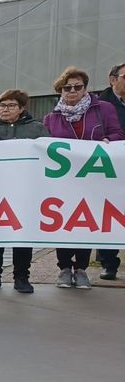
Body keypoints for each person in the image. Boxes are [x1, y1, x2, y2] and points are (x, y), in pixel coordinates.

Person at [42, 66, 124, 289]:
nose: (72, 91)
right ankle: (64, 269)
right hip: (64, 181)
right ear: (61, 90)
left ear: (85, 88)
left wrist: (108, 140)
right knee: (65, 223)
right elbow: (44, 145)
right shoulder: (51, 117)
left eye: (78, 87)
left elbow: (118, 133)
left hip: (93, 179)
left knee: (86, 223)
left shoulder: (103, 109)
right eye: (67, 88)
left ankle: (81, 269)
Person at [0, 89, 49, 294]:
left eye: (11, 105)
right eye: (2, 105)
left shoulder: (37, 130)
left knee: (23, 235)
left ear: (22, 108)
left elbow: (47, 158)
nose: (5, 109)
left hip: (25, 191)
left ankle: (22, 277)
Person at [95, 62, 125, 280]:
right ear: (112, 79)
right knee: (109, 213)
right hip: (110, 168)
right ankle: (109, 262)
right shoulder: (99, 104)